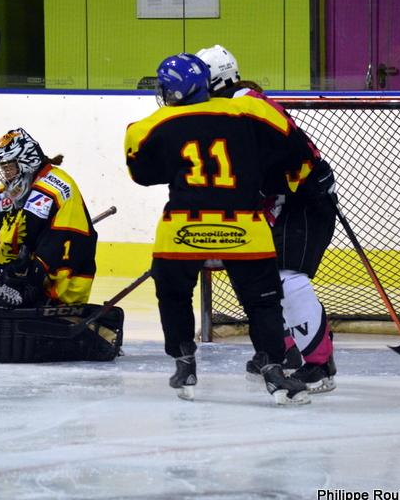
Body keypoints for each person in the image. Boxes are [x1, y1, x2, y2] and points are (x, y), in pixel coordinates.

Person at [125, 53, 313, 405]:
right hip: (245, 225)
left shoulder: (153, 124)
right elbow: (297, 151)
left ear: (175, 92)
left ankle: (184, 363)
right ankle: (274, 369)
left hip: (183, 228)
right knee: (263, 302)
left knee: (173, 293)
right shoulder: (251, 112)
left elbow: (143, 174)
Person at [196, 44, 337, 393]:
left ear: (217, 81)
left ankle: (320, 365)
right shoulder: (229, 107)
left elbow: (296, 152)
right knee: (260, 279)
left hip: (303, 200)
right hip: (278, 202)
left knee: (288, 278)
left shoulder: (248, 106)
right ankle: (283, 350)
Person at [0, 127, 98, 309]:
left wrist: (31, 276)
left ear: (27, 161)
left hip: (67, 279)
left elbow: (57, 240)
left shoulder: (56, 185)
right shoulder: (11, 187)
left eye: (8, 167)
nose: (5, 174)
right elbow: (9, 231)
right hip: (38, 263)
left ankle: (38, 292)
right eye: (2, 168)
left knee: (56, 245)